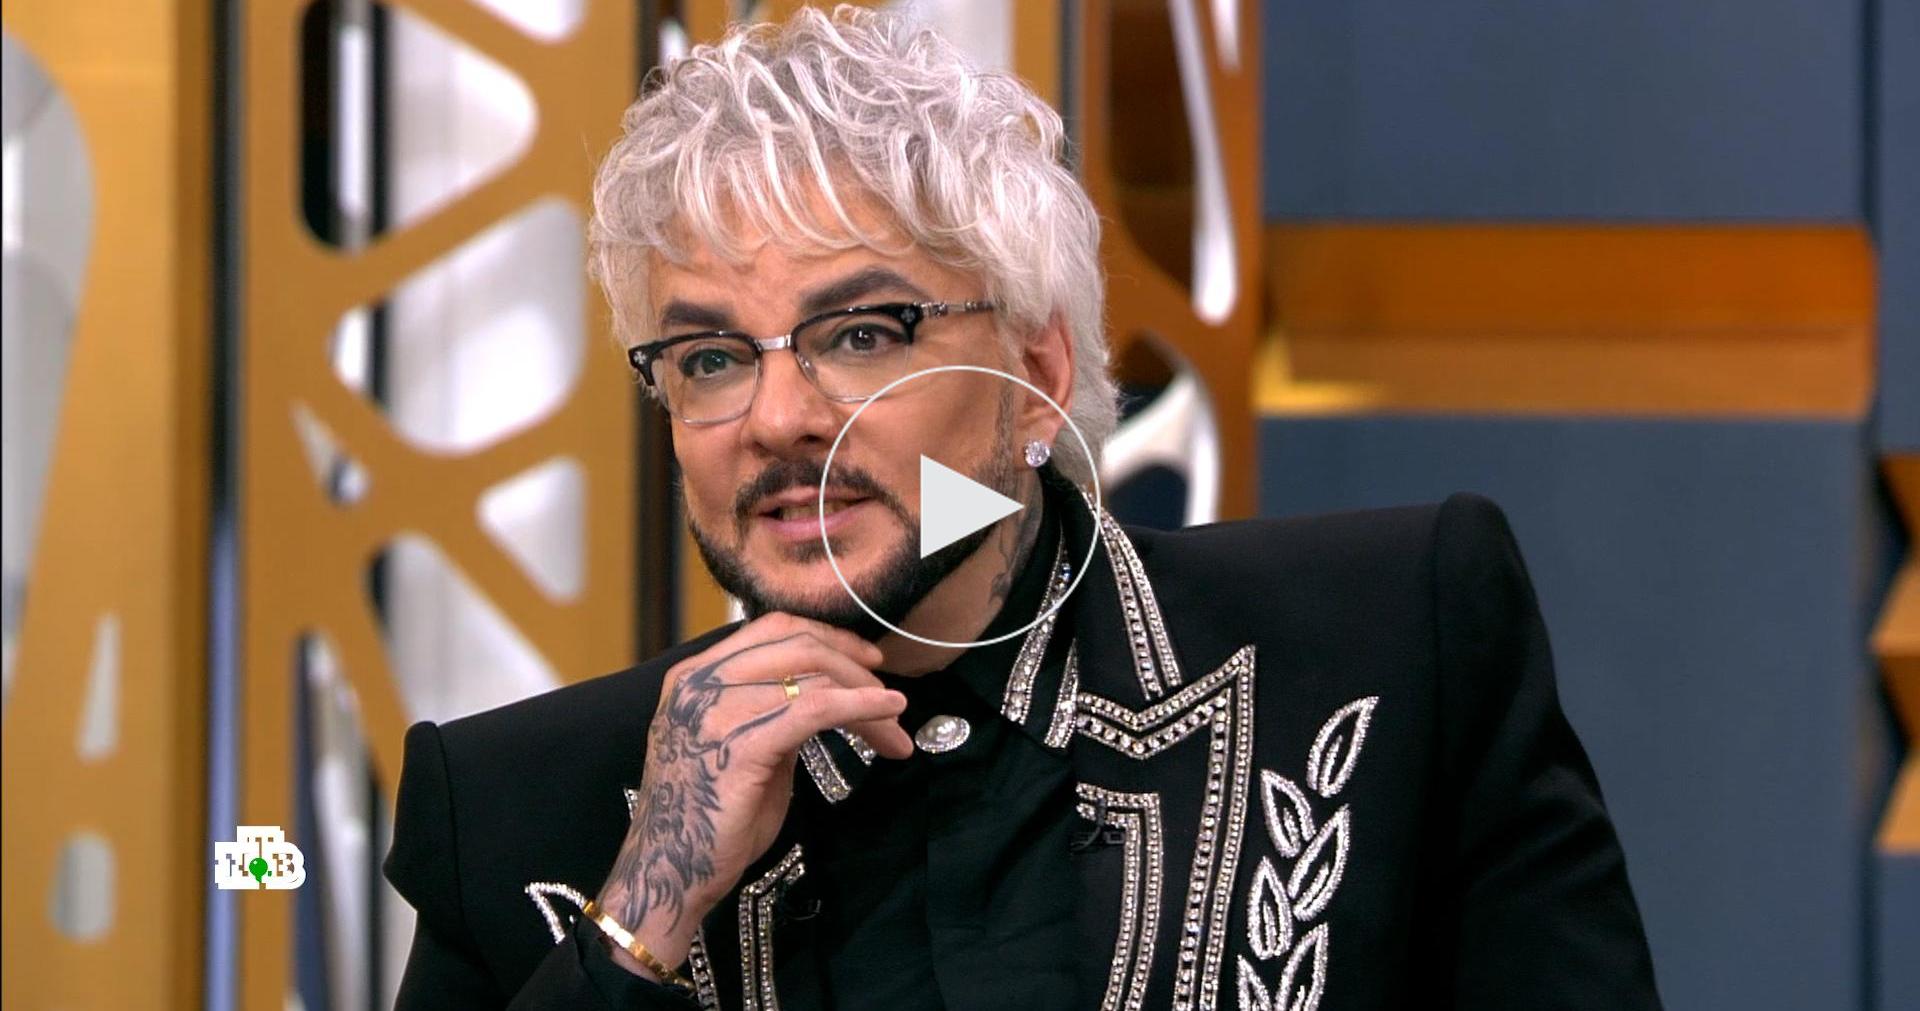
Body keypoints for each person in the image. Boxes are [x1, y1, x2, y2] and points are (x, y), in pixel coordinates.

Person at [383, 7, 1664, 1009]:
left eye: (862, 333)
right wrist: (641, 921)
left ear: (1037, 373)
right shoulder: (512, 812)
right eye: (711, 357)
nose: (777, 419)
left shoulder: (1387, 649)